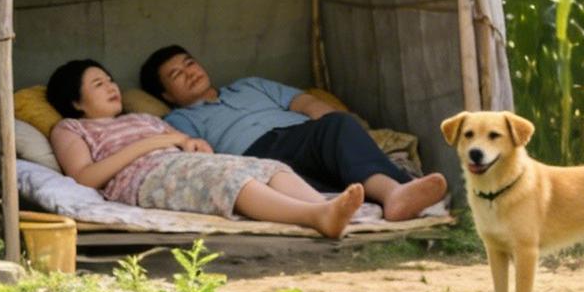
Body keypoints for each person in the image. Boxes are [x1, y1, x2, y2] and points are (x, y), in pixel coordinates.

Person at [44, 60, 365, 238]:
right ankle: (315, 215)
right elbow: (85, 177)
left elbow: (185, 143)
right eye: (98, 84)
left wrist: (192, 144)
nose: (112, 87)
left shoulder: (143, 118)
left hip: (180, 163)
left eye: (111, 80)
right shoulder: (71, 128)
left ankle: (336, 210)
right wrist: (155, 144)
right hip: (144, 177)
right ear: (75, 101)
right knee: (223, 180)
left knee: (264, 166)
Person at [138, 47, 449, 223]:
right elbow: (200, 157)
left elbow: (307, 103)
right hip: (259, 159)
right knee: (336, 139)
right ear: (167, 94)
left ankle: (394, 195)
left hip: (307, 137)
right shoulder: (179, 119)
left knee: (338, 125)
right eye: (177, 75)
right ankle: (393, 192)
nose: (190, 72)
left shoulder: (250, 85)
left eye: (190, 63)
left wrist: (348, 132)